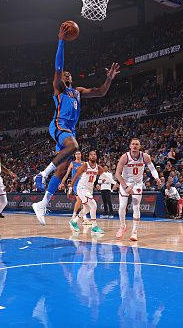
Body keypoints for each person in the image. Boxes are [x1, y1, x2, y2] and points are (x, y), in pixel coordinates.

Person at [32, 23, 120, 225]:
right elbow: (58, 66)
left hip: (69, 129)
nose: (66, 74)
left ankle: (42, 203)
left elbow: (101, 92)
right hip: (58, 125)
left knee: (62, 170)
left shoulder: (77, 91)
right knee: (74, 146)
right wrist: (61, 41)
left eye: (69, 74)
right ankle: (42, 173)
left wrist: (108, 80)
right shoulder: (59, 89)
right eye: (64, 74)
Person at [115, 139, 161, 241]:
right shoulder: (124, 157)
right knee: (122, 207)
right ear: (130, 146)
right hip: (125, 183)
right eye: (133, 144)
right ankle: (123, 226)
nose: (135, 146)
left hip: (137, 184)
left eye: (137, 144)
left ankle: (134, 232)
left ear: (139, 146)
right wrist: (126, 187)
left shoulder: (145, 156)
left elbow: (152, 169)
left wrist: (157, 178)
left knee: (136, 207)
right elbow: (117, 174)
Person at [69, 150, 105, 234]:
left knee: (88, 208)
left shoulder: (98, 168)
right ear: (89, 157)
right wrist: (71, 187)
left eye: (94, 154)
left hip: (89, 189)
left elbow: (100, 177)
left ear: (96, 156)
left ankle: (74, 221)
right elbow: (76, 175)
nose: (93, 156)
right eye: (91, 155)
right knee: (94, 205)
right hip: (82, 188)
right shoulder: (85, 165)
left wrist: (97, 183)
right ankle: (94, 226)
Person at [60, 151, 86, 223]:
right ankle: (74, 216)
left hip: (82, 184)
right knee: (79, 199)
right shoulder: (72, 163)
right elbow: (67, 174)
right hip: (75, 184)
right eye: (76, 154)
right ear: (75, 155)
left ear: (81, 155)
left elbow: (86, 174)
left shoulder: (84, 163)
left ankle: (84, 218)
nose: (78, 155)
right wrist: (62, 183)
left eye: (79, 154)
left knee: (84, 201)